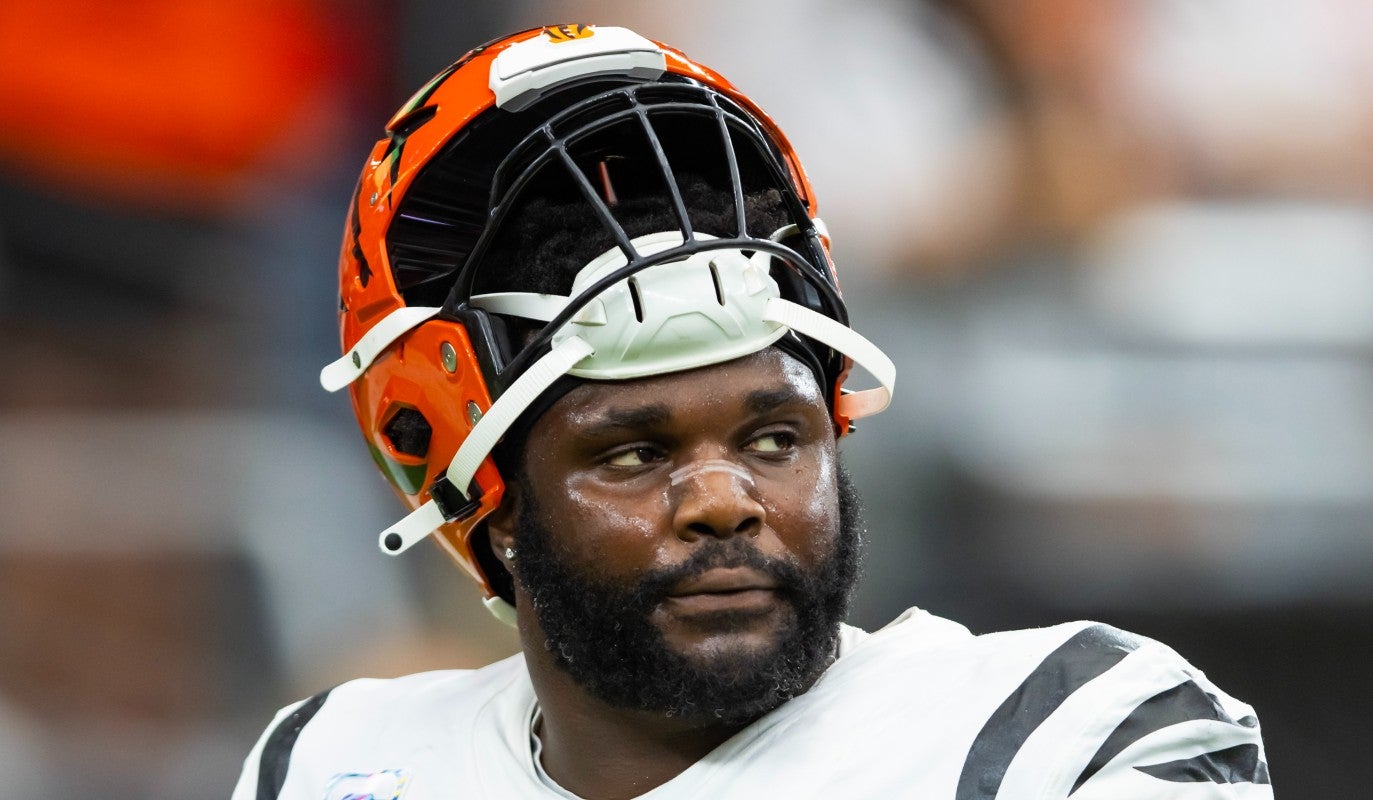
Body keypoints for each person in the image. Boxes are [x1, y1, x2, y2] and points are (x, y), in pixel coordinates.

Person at [234, 24, 1271, 800]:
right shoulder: (335, 762)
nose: (722, 500)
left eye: (773, 436)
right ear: (487, 500)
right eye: (634, 452)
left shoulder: (1066, 731)